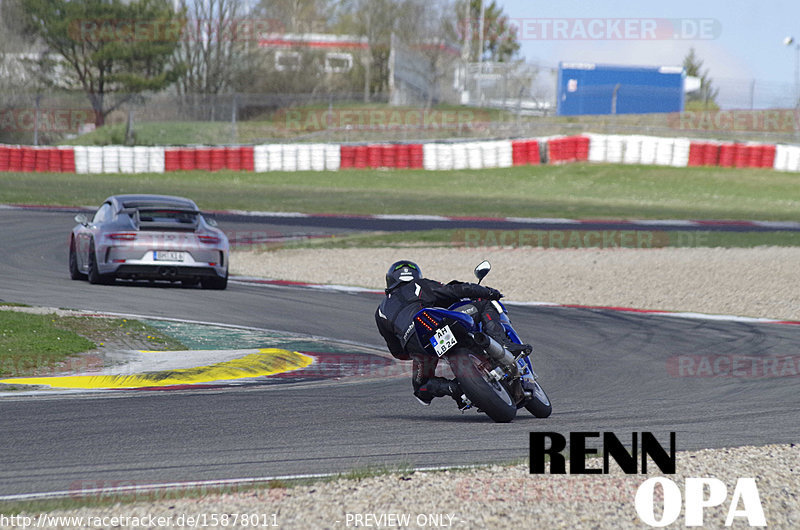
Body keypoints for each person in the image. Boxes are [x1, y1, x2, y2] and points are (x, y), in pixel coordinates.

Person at [375, 260, 511, 407]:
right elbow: (455, 290)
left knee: (421, 388)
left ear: (390, 281)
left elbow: (397, 351)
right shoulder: (419, 285)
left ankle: (455, 389)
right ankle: (505, 344)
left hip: (418, 345)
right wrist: (489, 292)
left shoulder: (380, 311)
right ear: (416, 275)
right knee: (485, 303)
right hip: (436, 325)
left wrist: (416, 354)